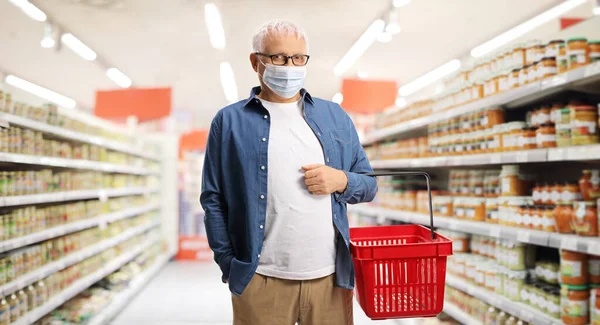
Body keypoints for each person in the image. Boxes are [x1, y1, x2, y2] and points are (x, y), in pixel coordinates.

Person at [200, 19, 378, 325]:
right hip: (261, 278)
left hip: (330, 278)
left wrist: (341, 180)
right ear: (256, 61)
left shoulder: (334, 116)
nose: (290, 66)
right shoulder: (229, 121)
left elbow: (369, 185)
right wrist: (229, 264)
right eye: (279, 57)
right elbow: (213, 200)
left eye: (298, 58)